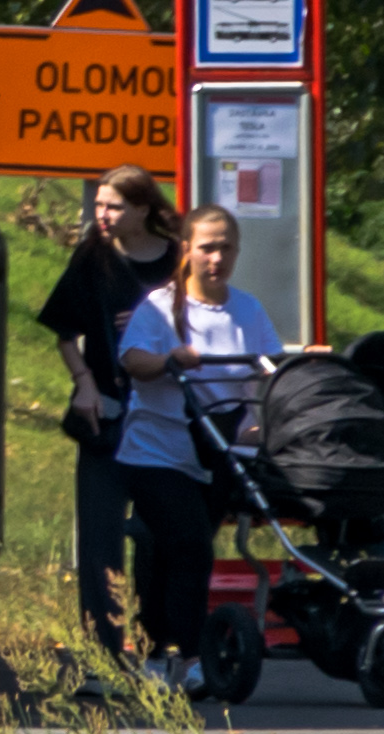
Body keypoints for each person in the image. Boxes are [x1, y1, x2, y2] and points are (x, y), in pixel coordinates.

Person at [112, 205, 284, 691]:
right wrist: (170, 359)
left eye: (227, 247)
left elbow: (269, 366)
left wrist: (298, 365)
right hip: (156, 452)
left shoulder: (246, 309)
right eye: (207, 247)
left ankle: (153, 651)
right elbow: (134, 361)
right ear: (186, 250)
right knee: (189, 548)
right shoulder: (160, 306)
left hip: (220, 451)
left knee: (168, 552)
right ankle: (188, 658)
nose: (217, 257)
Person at [31, 168, 176, 653]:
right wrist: (84, 385)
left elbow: (205, 319)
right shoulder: (93, 257)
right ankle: (103, 654)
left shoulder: (177, 260)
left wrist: (152, 320)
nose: (103, 216)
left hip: (166, 418)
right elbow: (64, 333)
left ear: (143, 209)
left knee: (162, 538)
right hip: (107, 415)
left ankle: (159, 647)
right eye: (99, 206)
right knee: (100, 540)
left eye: (113, 207)